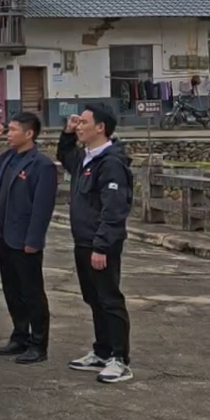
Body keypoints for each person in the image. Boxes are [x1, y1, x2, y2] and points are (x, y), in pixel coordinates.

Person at [57, 103, 134, 384]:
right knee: (93, 298)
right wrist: (67, 133)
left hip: (101, 245)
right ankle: (102, 351)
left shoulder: (111, 162)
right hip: (83, 241)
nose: (79, 126)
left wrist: (102, 246)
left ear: (101, 127)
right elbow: (65, 155)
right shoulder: (86, 158)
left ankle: (120, 359)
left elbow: (113, 209)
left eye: (84, 123)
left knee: (109, 299)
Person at [0, 111, 57, 365]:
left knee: (32, 292)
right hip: (6, 234)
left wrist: (34, 240)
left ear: (29, 133)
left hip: (25, 239)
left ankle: (38, 343)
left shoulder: (41, 165)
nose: (9, 134)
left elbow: (42, 208)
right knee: (12, 290)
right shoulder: (9, 157)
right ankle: (20, 335)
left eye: (13, 130)